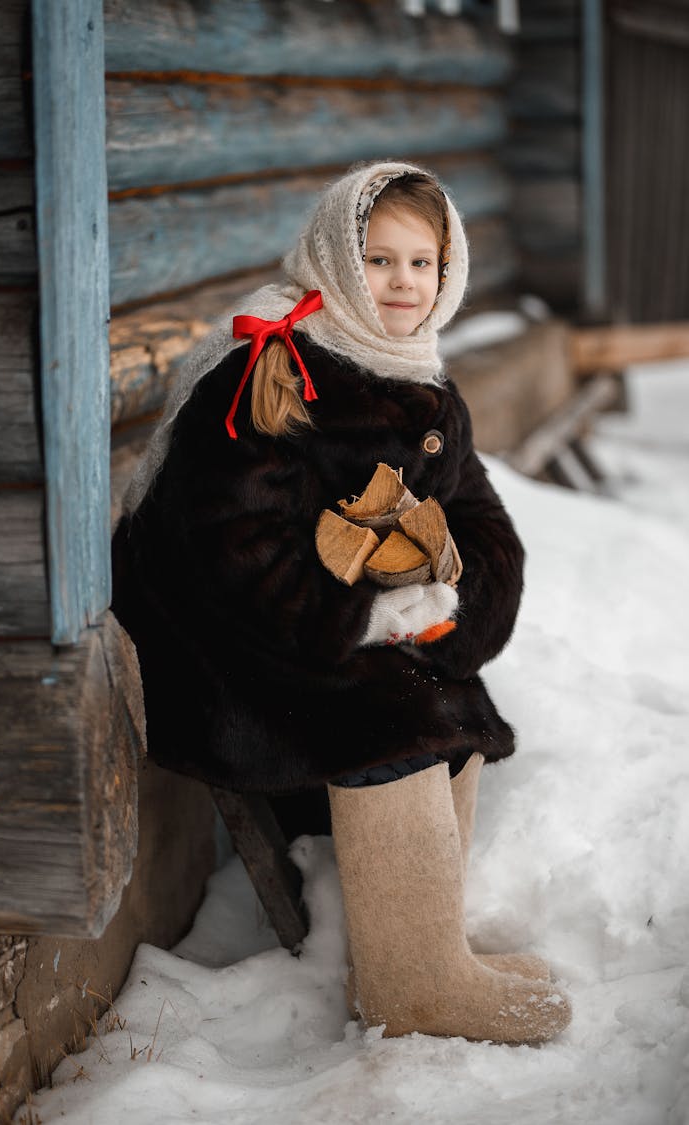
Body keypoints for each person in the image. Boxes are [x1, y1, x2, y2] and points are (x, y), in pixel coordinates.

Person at [111, 160, 571, 1045]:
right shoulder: (270, 363)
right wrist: (361, 620)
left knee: (450, 693)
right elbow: (228, 549)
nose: (402, 283)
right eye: (379, 259)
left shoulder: (417, 374)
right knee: (394, 710)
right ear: (334, 254)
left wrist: (447, 611)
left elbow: (481, 520)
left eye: (422, 263)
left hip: (301, 625)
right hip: (212, 639)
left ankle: (420, 951)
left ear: (449, 272)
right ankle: (416, 992)